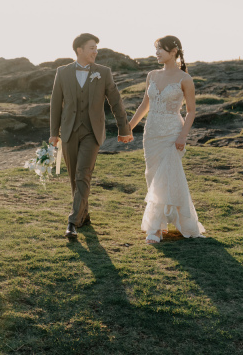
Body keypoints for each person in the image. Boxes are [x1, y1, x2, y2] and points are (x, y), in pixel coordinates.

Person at [49, 33, 133, 240]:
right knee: (73, 179)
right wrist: (53, 133)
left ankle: (72, 222)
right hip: (69, 131)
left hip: (92, 132)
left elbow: (116, 102)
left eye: (96, 48)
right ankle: (83, 216)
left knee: (83, 174)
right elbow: (55, 104)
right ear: (79, 50)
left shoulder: (103, 73)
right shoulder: (62, 72)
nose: (96, 52)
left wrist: (124, 129)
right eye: (92, 48)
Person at [127, 35, 205, 244]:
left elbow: (190, 111)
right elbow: (145, 105)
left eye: (161, 49)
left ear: (174, 52)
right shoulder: (152, 75)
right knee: (153, 177)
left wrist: (182, 136)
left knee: (166, 178)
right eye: (156, 49)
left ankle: (156, 228)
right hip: (151, 133)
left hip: (172, 133)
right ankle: (160, 223)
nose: (157, 53)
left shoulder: (185, 79)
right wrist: (129, 128)